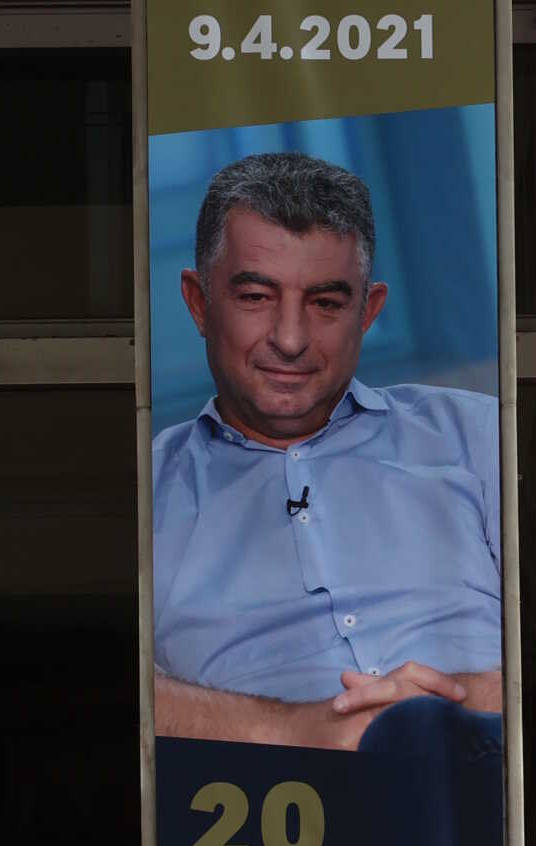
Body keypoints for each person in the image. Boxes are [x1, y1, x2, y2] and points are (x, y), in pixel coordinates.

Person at [151, 151, 503, 750]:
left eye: (326, 304)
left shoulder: (478, 436)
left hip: (493, 784)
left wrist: (458, 703)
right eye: (257, 297)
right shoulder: (144, 490)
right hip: (258, 815)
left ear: (368, 312)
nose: (290, 340)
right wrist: (293, 728)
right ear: (197, 301)